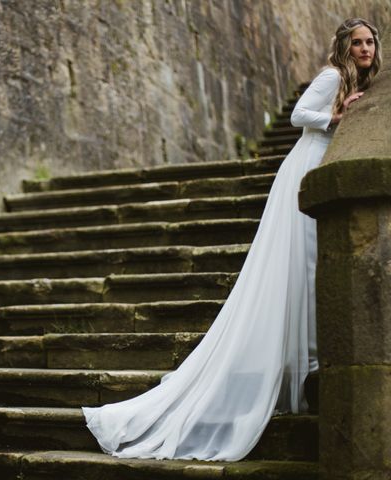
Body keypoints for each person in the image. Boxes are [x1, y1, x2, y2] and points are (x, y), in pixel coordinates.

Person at [82, 18, 382, 462]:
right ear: (343, 47)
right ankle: (306, 363)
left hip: (317, 167)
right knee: (304, 265)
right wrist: (336, 116)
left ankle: (307, 360)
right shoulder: (332, 77)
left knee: (309, 269)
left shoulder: (360, 80)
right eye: (356, 42)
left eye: (370, 41)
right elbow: (300, 116)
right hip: (305, 170)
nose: (364, 48)